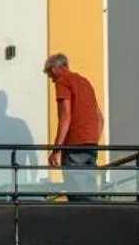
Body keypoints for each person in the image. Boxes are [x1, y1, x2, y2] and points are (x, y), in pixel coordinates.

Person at [44, 53, 104, 199]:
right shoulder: (85, 82)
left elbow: (66, 115)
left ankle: (83, 220)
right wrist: (93, 140)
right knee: (90, 191)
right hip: (91, 145)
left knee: (77, 193)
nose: (52, 80)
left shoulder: (63, 81)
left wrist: (56, 150)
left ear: (56, 68)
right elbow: (100, 119)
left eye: (50, 74)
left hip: (74, 145)